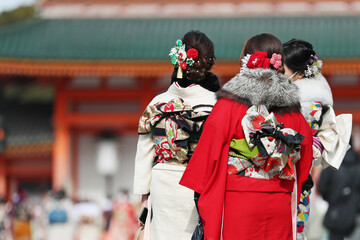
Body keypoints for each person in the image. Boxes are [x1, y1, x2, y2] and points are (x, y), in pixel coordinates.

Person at [179, 33, 314, 240]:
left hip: (239, 199)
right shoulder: (293, 111)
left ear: (247, 61)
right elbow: (304, 156)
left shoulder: (229, 105)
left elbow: (209, 153)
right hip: (279, 198)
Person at [133, 30, 220, 239]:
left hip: (162, 183)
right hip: (199, 185)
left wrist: (144, 197)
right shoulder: (216, 104)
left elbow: (145, 152)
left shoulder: (157, 103)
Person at [283, 39, 352, 240]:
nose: (279, 76)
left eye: (283, 71)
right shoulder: (315, 103)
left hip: (292, 177)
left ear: (300, 73)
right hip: (300, 178)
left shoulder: (306, 105)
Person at [318, 140, 360, 240]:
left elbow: (321, 187)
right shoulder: (358, 164)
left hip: (335, 215)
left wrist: (330, 198)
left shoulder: (333, 165)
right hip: (355, 215)